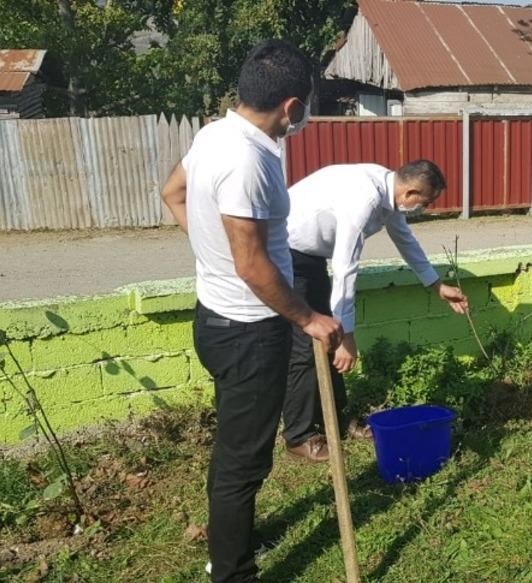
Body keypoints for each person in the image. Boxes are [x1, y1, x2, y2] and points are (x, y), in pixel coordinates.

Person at [159, 40, 343, 582]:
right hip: (248, 331)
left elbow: (172, 192)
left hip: (215, 318)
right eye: (303, 107)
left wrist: (208, 251)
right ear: (291, 106)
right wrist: (309, 318)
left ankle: (231, 534)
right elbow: (252, 265)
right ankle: (232, 570)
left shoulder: (214, 134)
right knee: (244, 460)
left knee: (238, 448)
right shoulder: (247, 160)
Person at [282, 161, 470, 462]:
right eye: (424, 202)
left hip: (310, 256)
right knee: (307, 347)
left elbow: (405, 240)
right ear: (409, 192)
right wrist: (348, 337)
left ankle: (338, 420)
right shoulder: (365, 198)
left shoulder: (388, 195)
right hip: (286, 252)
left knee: (328, 337)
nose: (423, 208)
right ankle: (299, 437)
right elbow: (345, 267)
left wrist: (436, 286)